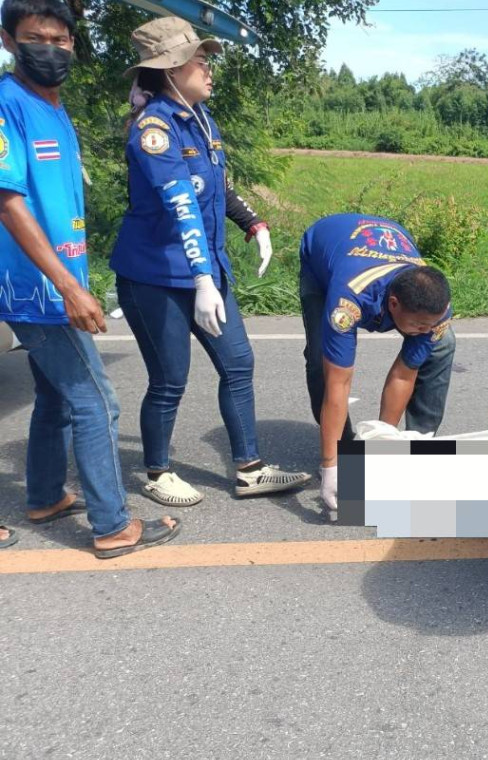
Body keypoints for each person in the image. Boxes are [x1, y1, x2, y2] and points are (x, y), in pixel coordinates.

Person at [0, 0, 180, 557]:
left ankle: (45, 495)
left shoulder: (52, 106)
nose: (49, 50)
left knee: (55, 394)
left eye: (60, 40)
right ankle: (112, 526)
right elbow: (8, 201)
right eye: (35, 38)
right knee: (97, 400)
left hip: (56, 282)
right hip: (34, 288)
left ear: (73, 44)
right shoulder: (7, 104)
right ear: (8, 41)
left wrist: (77, 278)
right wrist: (68, 286)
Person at [108, 16, 309, 508]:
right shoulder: (154, 129)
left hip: (206, 272)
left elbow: (217, 186)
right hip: (156, 277)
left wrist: (254, 224)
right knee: (170, 379)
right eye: (200, 61)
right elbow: (182, 206)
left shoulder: (200, 118)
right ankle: (157, 472)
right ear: (172, 70)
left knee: (238, 363)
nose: (209, 69)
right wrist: (202, 279)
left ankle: (249, 470)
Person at [298, 213, 456, 520]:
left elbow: (403, 374)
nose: (425, 331)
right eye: (419, 325)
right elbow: (339, 383)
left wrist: (383, 446)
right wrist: (331, 465)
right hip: (324, 262)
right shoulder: (347, 301)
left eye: (430, 324)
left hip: (383, 248)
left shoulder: (437, 309)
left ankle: (413, 447)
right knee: (321, 360)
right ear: (394, 305)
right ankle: (341, 454)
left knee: (442, 344)